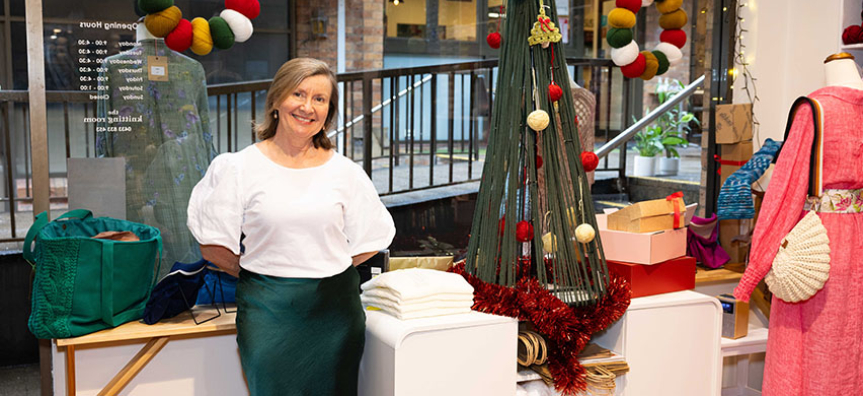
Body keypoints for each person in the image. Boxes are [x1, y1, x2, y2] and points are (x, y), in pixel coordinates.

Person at [187, 58, 396, 395]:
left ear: (328, 113)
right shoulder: (239, 168)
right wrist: (262, 274)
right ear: (276, 101)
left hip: (335, 317)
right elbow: (212, 245)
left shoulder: (345, 173)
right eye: (298, 94)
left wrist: (325, 267)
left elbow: (371, 240)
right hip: (267, 314)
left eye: (319, 99)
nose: (307, 106)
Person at [733, 52, 863, 395]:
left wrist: (751, 276)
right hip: (858, 246)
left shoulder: (814, 109)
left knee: (806, 353)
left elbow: (784, 194)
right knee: (852, 351)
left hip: (818, 250)